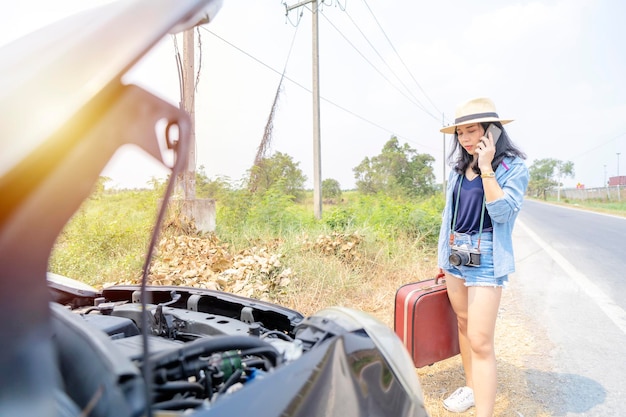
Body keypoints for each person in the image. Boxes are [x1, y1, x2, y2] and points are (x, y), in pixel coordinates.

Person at [437, 97, 529, 416]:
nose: (464, 139)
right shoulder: (458, 168)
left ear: (491, 131)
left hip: (486, 254)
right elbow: (450, 215)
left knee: (480, 340)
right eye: (460, 133)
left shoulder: (513, 168)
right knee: (463, 324)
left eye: (471, 131)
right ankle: (472, 388)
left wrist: (487, 167)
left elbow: (502, 214)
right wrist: (442, 258)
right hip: (455, 253)